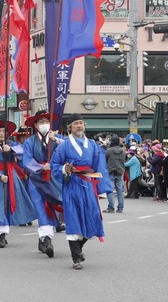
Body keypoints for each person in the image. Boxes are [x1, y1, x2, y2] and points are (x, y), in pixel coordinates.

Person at [51, 113, 112, 270]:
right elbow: (54, 165)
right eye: (76, 123)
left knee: (92, 217)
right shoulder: (63, 146)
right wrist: (64, 168)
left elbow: (100, 167)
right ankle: (76, 257)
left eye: (81, 123)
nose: (79, 126)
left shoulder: (92, 145)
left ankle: (79, 247)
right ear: (69, 127)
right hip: (72, 184)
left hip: (89, 185)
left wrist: (101, 189)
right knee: (73, 217)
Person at [0, 119, 36, 248]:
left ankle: (5, 231)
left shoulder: (12, 144)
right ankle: (0, 235)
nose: (1, 133)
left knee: (9, 203)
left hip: (11, 176)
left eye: (3, 131)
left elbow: (24, 154)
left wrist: (10, 150)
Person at [23, 110, 65, 258]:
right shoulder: (29, 142)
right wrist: (41, 167)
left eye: (47, 121)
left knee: (57, 204)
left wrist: (57, 141)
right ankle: (47, 240)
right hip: (36, 178)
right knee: (41, 207)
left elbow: (68, 150)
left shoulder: (57, 138)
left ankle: (44, 238)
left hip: (54, 176)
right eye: (41, 122)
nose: (44, 124)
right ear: (35, 125)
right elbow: (27, 160)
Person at [104, 136, 126, 213]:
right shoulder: (123, 151)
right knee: (120, 191)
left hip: (111, 172)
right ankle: (120, 208)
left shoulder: (109, 151)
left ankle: (111, 207)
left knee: (110, 190)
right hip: (120, 172)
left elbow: (104, 159)